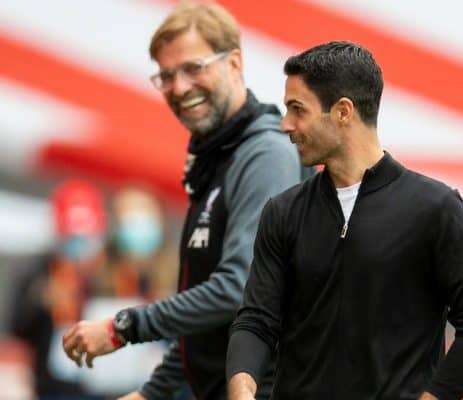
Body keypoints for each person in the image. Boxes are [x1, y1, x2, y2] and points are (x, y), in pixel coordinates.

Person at [226, 41, 463, 400]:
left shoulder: (436, 208)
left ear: (343, 111)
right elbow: (256, 321)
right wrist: (242, 387)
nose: (286, 125)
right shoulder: (282, 212)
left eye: (298, 109)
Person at [62, 3, 310, 400]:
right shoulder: (217, 159)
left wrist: (122, 327)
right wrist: (153, 392)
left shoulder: (266, 154)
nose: (179, 87)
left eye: (194, 68)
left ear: (234, 63)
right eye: (166, 75)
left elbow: (238, 288)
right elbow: (208, 321)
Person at [11, 179, 109, 399]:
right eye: (72, 235)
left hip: (101, 384)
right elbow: (17, 329)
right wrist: (37, 302)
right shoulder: (39, 272)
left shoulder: (106, 275)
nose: (79, 243)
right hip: (51, 386)